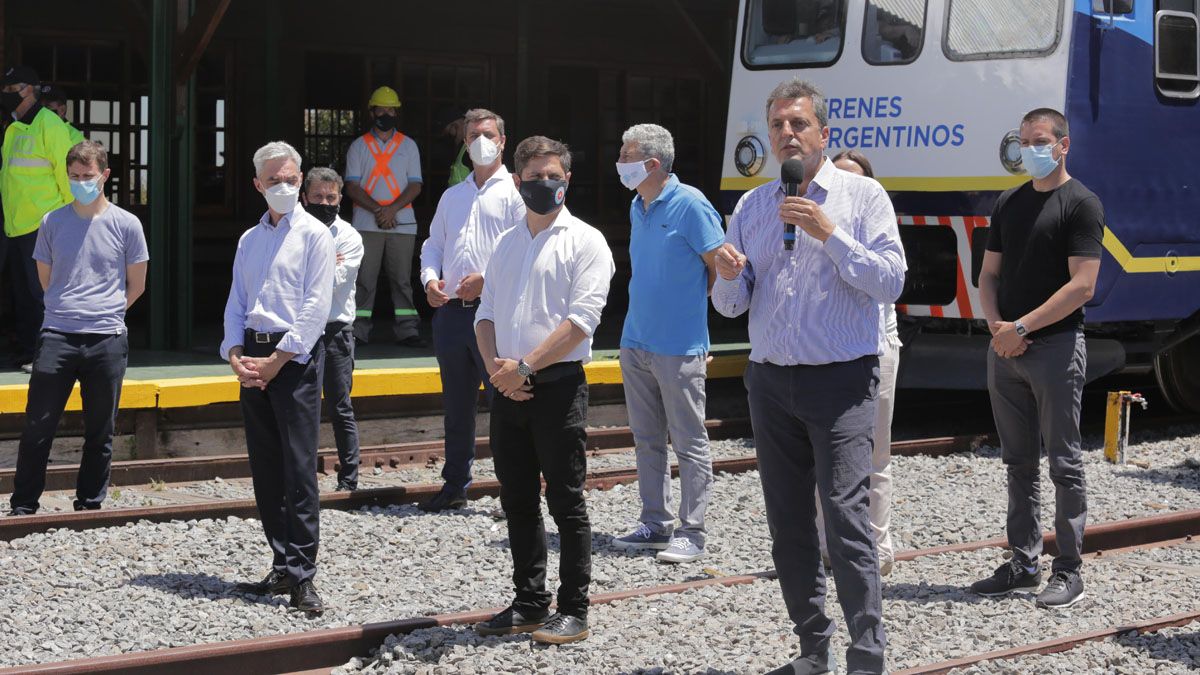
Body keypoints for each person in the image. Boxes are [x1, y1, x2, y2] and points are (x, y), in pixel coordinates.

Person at [712, 77, 905, 675]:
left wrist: (831, 234)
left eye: (798, 123)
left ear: (824, 132)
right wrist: (724, 272)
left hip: (841, 382)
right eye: (777, 125)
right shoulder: (751, 206)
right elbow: (731, 307)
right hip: (771, 383)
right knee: (788, 525)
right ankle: (812, 651)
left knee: (846, 520)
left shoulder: (862, 196)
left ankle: (867, 656)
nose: (787, 134)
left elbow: (891, 281)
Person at [473, 136, 614, 645]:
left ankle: (574, 607)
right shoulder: (507, 242)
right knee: (517, 501)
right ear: (517, 181)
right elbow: (485, 314)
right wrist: (498, 371)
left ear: (567, 179)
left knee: (567, 502)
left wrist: (525, 367)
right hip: (506, 388)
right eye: (533, 177)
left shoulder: (587, 241)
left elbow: (581, 322)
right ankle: (530, 602)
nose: (543, 185)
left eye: (552, 175)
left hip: (556, 386)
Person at [970, 108, 1102, 610]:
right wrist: (997, 328)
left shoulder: (1081, 204)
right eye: (1023, 141)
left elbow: (1082, 286)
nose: (1030, 149)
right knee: (1017, 462)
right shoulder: (1010, 202)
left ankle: (1069, 570)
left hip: (1055, 347)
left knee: (1064, 463)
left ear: (1063, 145)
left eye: (1040, 140)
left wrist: (1021, 328)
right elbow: (988, 277)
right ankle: (1023, 563)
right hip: (1006, 349)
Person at [222, 141, 334, 615]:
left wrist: (275, 362)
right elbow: (236, 302)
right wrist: (234, 353)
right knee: (266, 468)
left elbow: (316, 307)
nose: (284, 187)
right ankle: (281, 564)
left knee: (298, 467)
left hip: (294, 360)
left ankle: (304, 574)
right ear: (258, 185)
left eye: (291, 178)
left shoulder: (315, 236)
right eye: (274, 181)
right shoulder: (250, 240)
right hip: (253, 358)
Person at [7, 140, 147, 516]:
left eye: (87, 176)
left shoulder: (127, 224)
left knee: (101, 430)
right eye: (74, 176)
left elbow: (137, 283)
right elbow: (46, 278)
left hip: (107, 339)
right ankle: (23, 504)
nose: (81, 182)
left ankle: (89, 503)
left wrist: (109, 313)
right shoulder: (52, 221)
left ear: (105, 175)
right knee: (38, 426)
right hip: (57, 336)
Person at [609, 123, 723, 564]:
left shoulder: (692, 204)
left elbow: (720, 268)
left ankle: (693, 531)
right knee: (647, 438)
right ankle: (655, 523)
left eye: (626, 155)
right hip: (636, 340)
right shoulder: (639, 204)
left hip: (679, 346)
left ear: (652, 164)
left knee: (689, 441)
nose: (620, 163)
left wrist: (697, 329)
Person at [417, 108, 524, 512]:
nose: (481, 140)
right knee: (456, 405)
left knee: (505, 404)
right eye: (473, 134)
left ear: (502, 141)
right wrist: (429, 279)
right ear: (464, 143)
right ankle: (455, 484)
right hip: (450, 315)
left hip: (493, 314)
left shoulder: (515, 195)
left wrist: (486, 279)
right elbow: (434, 244)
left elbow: (521, 251)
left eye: (488, 133)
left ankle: (512, 489)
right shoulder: (452, 195)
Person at [812, 150, 899, 577]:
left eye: (854, 179)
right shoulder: (810, 224)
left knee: (874, 459)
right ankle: (827, 547)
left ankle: (877, 548)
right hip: (827, 352)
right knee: (820, 462)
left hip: (877, 349)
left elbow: (888, 283)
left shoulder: (871, 221)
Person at [1, 65, 75, 373]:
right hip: (15, 227)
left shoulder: (50, 126)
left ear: (30, 90)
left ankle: (50, 356)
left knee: (43, 294)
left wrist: (71, 225)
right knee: (24, 296)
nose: (5, 95)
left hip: (44, 227)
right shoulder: (14, 129)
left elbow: (68, 177)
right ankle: (31, 352)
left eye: (11, 89)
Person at [344, 86, 424, 347]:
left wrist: (390, 210)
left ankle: (408, 330)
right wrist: (381, 210)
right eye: (382, 109)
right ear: (372, 112)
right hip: (367, 224)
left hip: (402, 224)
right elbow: (352, 186)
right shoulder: (358, 146)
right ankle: (358, 329)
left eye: (391, 109)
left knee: (402, 280)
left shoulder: (408, 146)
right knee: (364, 280)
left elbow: (415, 185)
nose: (387, 114)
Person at [303, 167, 364, 492]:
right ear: (305, 198)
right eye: (317, 197)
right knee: (304, 407)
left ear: (340, 198)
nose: (324, 202)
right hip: (301, 332)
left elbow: (333, 282)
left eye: (331, 197)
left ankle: (349, 478)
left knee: (340, 405)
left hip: (336, 330)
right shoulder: (292, 231)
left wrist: (307, 270)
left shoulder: (350, 237)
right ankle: (303, 476)